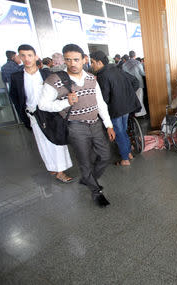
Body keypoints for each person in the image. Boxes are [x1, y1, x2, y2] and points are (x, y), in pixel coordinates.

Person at [39, 44, 115, 207]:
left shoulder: (91, 78)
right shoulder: (55, 80)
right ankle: (96, 192)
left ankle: (88, 179)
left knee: (105, 156)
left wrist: (108, 125)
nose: (72, 63)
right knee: (85, 161)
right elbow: (43, 105)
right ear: (64, 60)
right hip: (75, 126)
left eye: (76, 59)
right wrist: (66, 102)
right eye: (68, 60)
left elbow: (100, 103)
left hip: (95, 124)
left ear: (84, 60)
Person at [9, 44, 73, 183]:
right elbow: (14, 96)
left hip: (50, 113)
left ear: (36, 57)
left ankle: (61, 170)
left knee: (56, 141)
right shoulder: (17, 77)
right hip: (33, 115)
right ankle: (53, 167)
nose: (27, 59)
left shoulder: (46, 74)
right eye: (23, 56)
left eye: (30, 55)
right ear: (19, 57)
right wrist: (24, 116)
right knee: (42, 142)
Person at [90, 50, 141, 166]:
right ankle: (128, 154)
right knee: (123, 131)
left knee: (119, 133)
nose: (91, 65)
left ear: (99, 62)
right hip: (126, 107)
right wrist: (126, 95)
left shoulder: (103, 76)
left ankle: (125, 159)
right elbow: (135, 82)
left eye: (92, 62)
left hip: (115, 110)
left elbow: (104, 99)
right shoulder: (118, 69)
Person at [122, 50, 147, 117]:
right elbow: (142, 73)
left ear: (129, 56)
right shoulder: (138, 63)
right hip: (139, 84)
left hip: (129, 85)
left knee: (133, 99)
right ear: (135, 55)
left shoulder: (124, 64)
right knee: (139, 99)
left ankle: (134, 113)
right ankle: (139, 114)